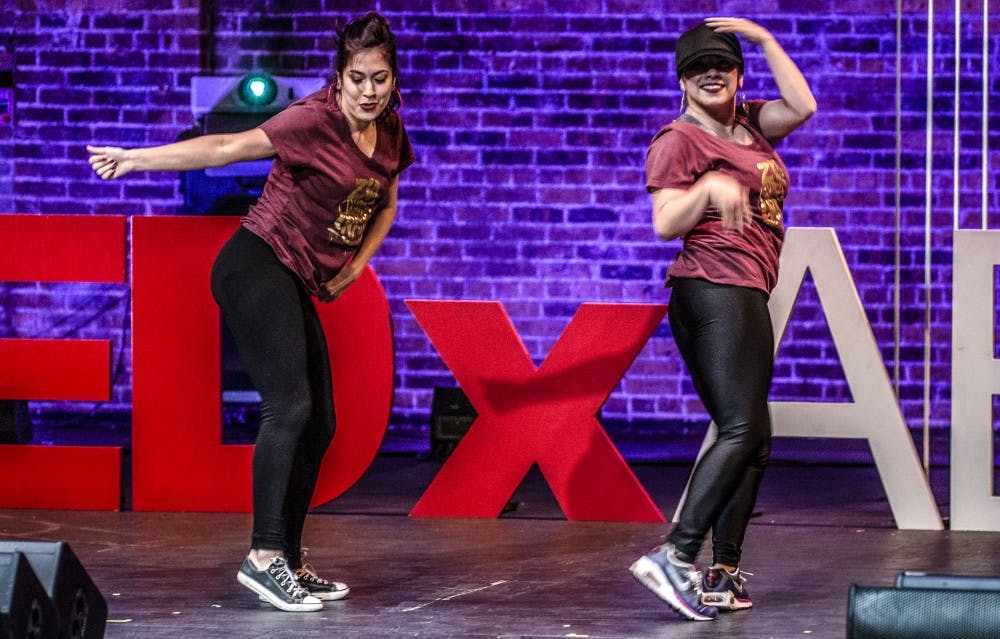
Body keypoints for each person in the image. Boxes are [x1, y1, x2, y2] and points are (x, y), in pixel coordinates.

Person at [88, 11, 414, 612]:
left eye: (380, 79)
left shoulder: (390, 130)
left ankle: (288, 558)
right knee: (290, 406)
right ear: (338, 78)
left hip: (296, 277)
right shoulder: (312, 120)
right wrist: (136, 159)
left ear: (393, 80)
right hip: (255, 263)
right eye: (358, 79)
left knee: (321, 423)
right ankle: (263, 558)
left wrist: (354, 267)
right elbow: (226, 147)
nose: (369, 92)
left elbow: (387, 202)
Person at [629, 17, 816, 621]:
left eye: (722, 65)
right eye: (697, 68)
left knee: (753, 438)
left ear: (738, 75)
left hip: (743, 288)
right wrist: (709, 185)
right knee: (740, 428)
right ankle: (675, 554)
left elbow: (803, 106)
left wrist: (765, 41)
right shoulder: (679, 139)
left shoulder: (751, 125)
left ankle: (722, 573)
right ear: (682, 82)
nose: (710, 74)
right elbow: (665, 223)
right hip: (714, 287)